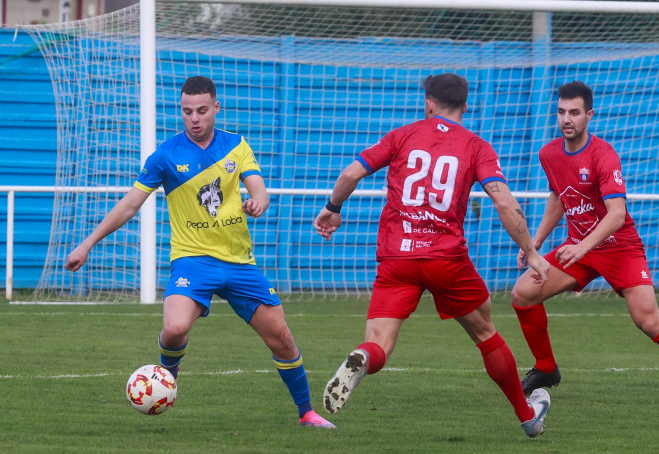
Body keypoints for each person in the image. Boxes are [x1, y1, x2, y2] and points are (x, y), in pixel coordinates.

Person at [65, 75, 336, 428]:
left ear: (216, 108)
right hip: (193, 260)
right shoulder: (165, 156)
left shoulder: (236, 146)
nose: (195, 118)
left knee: (282, 338)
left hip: (239, 263)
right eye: (187, 111)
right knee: (175, 328)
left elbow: (260, 190)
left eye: (202, 110)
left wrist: (259, 202)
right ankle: (167, 377)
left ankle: (307, 413)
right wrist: (87, 244)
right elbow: (130, 205)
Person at [314, 73, 553, 438]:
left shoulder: (402, 135)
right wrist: (531, 252)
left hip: (398, 257)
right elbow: (503, 201)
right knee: (485, 332)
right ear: (466, 106)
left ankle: (363, 358)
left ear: (428, 103)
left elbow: (350, 173)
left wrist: (333, 208)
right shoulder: (476, 146)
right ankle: (527, 416)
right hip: (447, 259)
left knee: (378, 341)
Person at [510, 80, 659, 406]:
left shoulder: (603, 155)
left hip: (619, 248)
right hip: (578, 248)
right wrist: (535, 242)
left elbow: (617, 215)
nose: (567, 119)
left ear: (589, 115)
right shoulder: (549, 154)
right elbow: (558, 195)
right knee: (523, 294)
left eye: (575, 113)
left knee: (648, 321)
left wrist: (582, 247)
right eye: (561, 112)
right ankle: (546, 368)